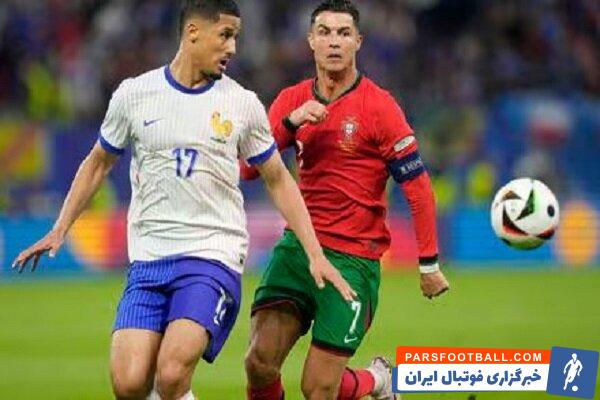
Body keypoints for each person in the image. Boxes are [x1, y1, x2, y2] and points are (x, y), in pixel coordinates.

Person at [12, 1, 355, 399]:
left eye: (236, 37)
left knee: (172, 372)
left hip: (212, 256)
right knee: (128, 383)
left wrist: (314, 252)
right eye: (225, 36)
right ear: (193, 32)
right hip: (149, 260)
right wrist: (60, 228)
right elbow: (98, 162)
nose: (232, 48)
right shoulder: (134, 95)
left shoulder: (241, 103)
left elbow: (278, 179)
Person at [241, 1, 450, 399]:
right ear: (310, 41)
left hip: (353, 260)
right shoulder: (291, 100)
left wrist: (429, 264)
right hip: (298, 250)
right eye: (324, 32)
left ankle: (378, 380)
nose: (333, 42)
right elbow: (248, 170)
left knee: (318, 389)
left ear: (358, 42)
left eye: (343, 33)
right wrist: (288, 124)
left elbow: (418, 186)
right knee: (258, 363)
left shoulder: (380, 107)